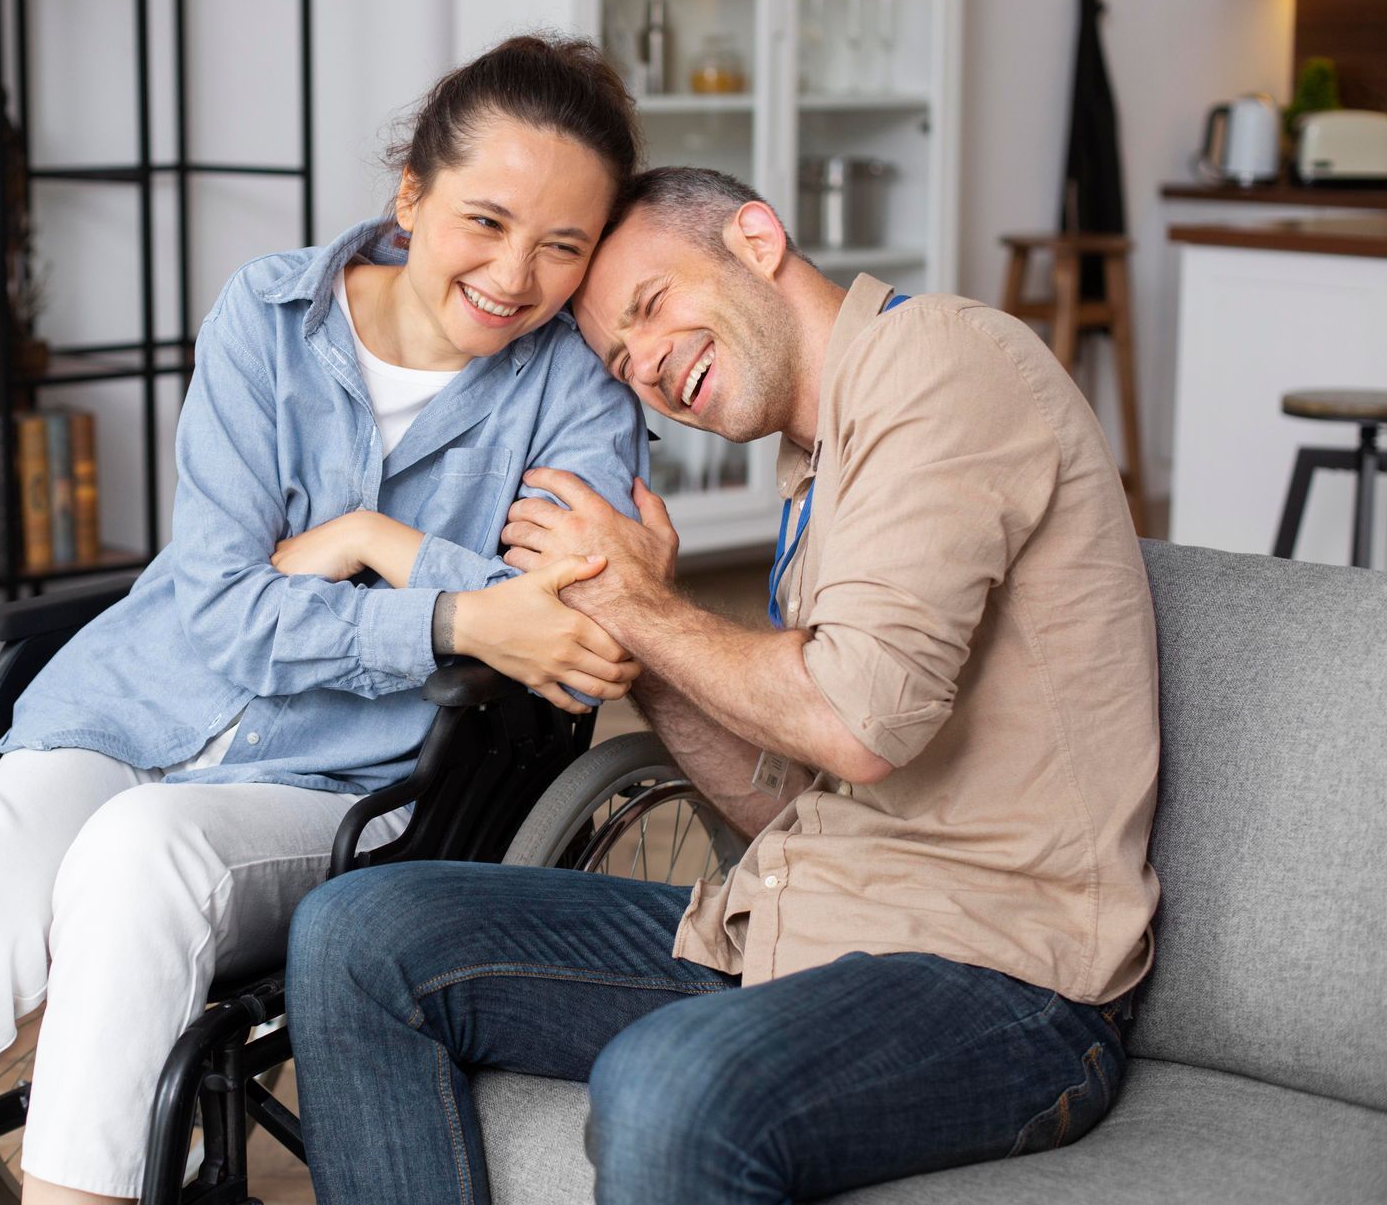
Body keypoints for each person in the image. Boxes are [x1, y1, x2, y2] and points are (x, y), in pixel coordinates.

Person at [0, 35, 649, 1205]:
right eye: (486, 220)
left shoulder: (575, 387)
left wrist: (370, 545)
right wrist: (459, 607)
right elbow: (227, 610)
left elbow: (571, 631)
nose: (515, 274)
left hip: (341, 783)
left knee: (139, 857)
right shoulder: (269, 312)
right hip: (126, 709)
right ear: (410, 193)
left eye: (563, 245)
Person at [286, 165, 1161, 1205]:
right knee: (357, 933)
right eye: (621, 357)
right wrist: (641, 643)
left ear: (757, 238)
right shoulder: (817, 463)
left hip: (1005, 982)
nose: (648, 365)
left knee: (668, 1080)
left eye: (653, 306)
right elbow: (784, 800)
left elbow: (857, 720)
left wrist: (642, 604)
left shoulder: (941, 363)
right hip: (801, 927)